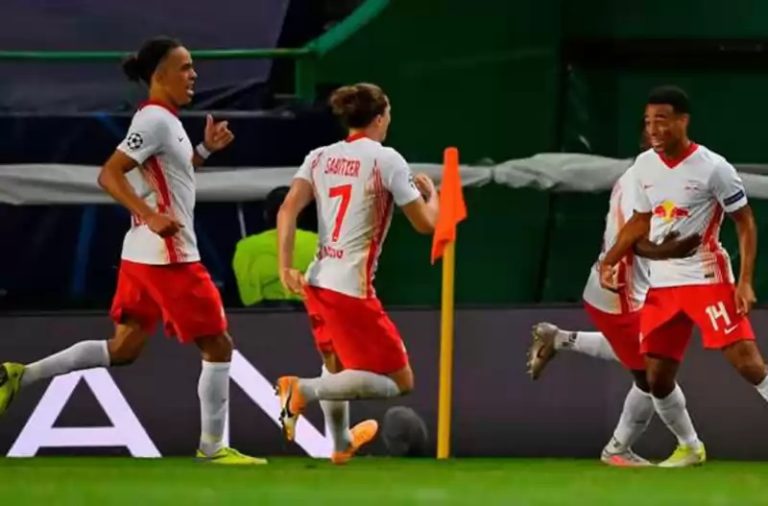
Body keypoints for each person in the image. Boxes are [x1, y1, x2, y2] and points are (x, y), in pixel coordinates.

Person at [0, 37, 264, 465]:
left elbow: (171, 175)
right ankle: (213, 448)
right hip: (169, 256)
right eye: (185, 67)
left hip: (141, 254)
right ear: (159, 75)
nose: (194, 74)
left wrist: (204, 150)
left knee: (123, 349)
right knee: (218, 346)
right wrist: (151, 215)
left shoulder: (164, 120)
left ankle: (19, 375)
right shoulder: (155, 120)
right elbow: (109, 174)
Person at [599, 85, 767, 467]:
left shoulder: (714, 167)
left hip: (706, 279)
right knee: (655, 378)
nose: (653, 129)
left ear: (682, 121)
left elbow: (745, 222)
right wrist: (610, 261)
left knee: (749, 365)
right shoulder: (644, 166)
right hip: (661, 285)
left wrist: (744, 281)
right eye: (648, 121)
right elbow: (640, 221)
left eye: (661, 120)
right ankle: (690, 446)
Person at [274, 82, 439, 464]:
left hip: (317, 280)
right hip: (351, 287)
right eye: (389, 113)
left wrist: (285, 266)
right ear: (379, 118)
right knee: (400, 381)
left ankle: (340, 444)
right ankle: (300, 391)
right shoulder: (386, 160)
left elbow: (287, 209)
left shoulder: (319, 157)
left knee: (335, 367)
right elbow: (426, 224)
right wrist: (434, 196)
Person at [527, 164, 704, 467]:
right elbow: (633, 239)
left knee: (641, 354)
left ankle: (559, 339)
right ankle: (675, 446)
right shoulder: (642, 185)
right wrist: (670, 250)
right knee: (652, 376)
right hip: (617, 294)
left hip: (624, 289)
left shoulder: (639, 177)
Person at [232, 186, 318, 306]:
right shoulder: (319, 243)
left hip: (259, 314)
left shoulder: (245, 247)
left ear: (266, 215)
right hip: (310, 312)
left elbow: (246, 293)